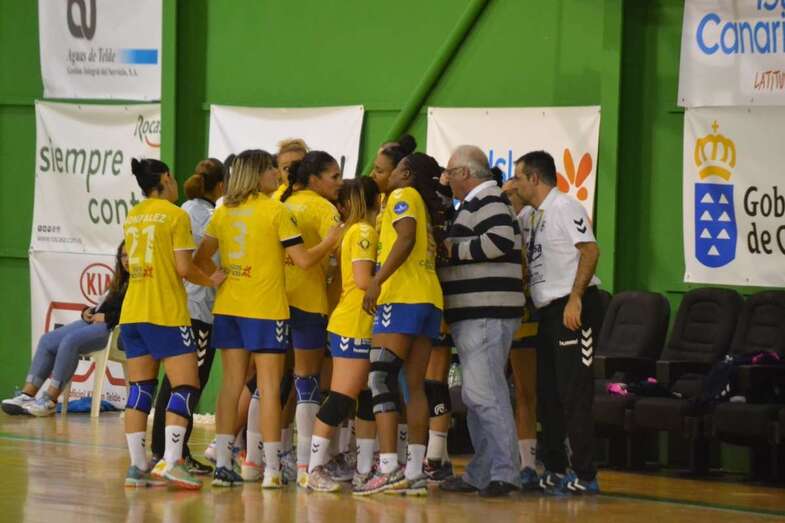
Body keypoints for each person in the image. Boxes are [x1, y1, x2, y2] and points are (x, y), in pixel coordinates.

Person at [195, 149, 340, 489]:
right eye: (272, 169)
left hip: (229, 308)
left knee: (230, 386)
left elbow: (200, 258)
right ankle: (270, 469)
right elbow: (304, 261)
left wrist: (215, 278)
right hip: (265, 309)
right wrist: (331, 242)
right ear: (259, 174)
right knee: (270, 388)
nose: (278, 174)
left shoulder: (223, 212)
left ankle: (225, 464)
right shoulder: (276, 210)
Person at [121, 158, 224, 490]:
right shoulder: (175, 214)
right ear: (165, 177)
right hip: (165, 312)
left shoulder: (134, 214)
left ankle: (137, 468)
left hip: (132, 312)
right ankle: (172, 461)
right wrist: (211, 279)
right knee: (185, 386)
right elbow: (184, 268)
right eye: (174, 175)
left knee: (141, 389)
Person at [507, 150, 602, 495]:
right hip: (546, 311)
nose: (514, 183)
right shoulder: (532, 215)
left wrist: (576, 297)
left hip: (575, 305)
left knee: (574, 391)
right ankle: (556, 468)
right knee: (547, 392)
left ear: (534, 178)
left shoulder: (565, 206)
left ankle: (586, 474)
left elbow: (590, 250)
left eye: (518, 177)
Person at [436, 145, 525, 498]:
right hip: (477, 313)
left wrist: (451, 249)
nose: (446, 179)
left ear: (464, 174)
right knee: (478, 396)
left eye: (449, 173)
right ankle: (482, 472)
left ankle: (505, 472)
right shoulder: (476, 203)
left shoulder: (487, 199)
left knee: (485, 394)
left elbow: (501, 240)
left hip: (486, 313)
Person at [356, 152, 446, 496]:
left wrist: (378, 279)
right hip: (428, 300)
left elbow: (405, 239)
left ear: (405, 173)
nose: (386, 175)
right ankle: (414, 472)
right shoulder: (423, 202)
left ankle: (389, 466)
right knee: (413, 384)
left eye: (391, 169)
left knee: (380, 377)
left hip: (402, 297)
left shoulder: (402, 196)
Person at [150, 158, 225, 476]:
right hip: (199, 309)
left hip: (177, 306)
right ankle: (173, 453)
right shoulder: (211, 217)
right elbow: (205, 259)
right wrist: (215, 279)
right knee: (189, 382)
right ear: (220, 187)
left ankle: (161, 451)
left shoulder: (181, 211)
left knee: (173, 381)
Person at [306, 177, 380, 492]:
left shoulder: (358, 231)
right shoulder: (363, 231)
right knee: (340, 397)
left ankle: (362, 467)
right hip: (353, 323)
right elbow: (364, 280)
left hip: (361, 322)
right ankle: (313, 469)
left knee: (366, 396)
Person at [1, 241, 129, 417]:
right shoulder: (119, 280)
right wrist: (88, 312)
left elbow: (135, 312)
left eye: (131, 255)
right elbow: (103, 305)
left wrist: (108, 317)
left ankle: (50, 400)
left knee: (70, 342)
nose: (127, 260)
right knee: (48, 340)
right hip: (96, 322)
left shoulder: (141, 282)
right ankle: (27, 395)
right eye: (123, 255)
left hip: (113, 329)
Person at [280, 151, 343, 487]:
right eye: (334, 176)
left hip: (273, 301)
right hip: (307, 302)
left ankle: (261, 460)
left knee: (267, 382)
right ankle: (307, 466)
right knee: (306, 380)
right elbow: (345, 253)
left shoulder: (280, 201)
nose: (340, 182)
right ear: (315, 179)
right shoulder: (323, 209)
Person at [502, 175, 541, 490]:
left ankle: (543, 460)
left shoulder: (538, 216)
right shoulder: (501, 221)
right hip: (508, 309)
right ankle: (521, 461)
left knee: (534, 390)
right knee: (505, 391)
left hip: (535, 307)